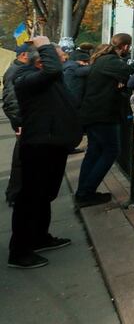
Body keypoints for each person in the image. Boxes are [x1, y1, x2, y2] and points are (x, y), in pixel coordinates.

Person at [8, 37, 83, 269]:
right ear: (41, 61)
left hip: (53, 144)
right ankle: (19, 252)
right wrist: (44, 44)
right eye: (59, 57)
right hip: (39, 144)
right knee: (29, 198)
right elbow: (52, 70)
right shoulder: (25, 77)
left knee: (45, 195)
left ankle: (39, 237)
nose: (63, 61)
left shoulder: (47, 78)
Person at [75, 33, 132, 208]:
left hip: (93, 113)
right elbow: (130, 70)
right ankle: (86, 192)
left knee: (94, 152)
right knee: (110, 151)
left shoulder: (102, 60)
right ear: (125, 47)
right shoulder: (111, 61)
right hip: (103, 115)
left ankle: (83, 191)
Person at [4, 43, 29, 207]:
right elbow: (11, 102)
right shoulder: (15, 72)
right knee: (21, 159)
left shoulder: (17, 70)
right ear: (24, 56)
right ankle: (16, 194)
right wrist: (19, 122)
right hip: (23, 123)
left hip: (23, 122)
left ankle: (17, 193)